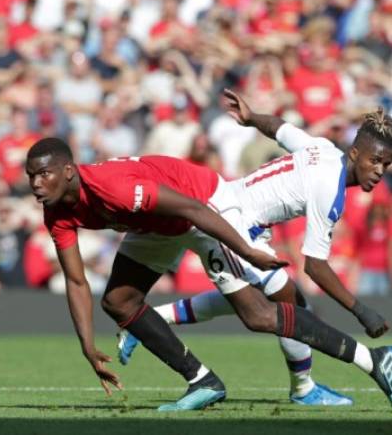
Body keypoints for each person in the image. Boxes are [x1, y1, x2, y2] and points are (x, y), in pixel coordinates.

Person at [26, 137, 392, 411]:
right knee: (118, 302)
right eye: (31, 177)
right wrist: (87, 346)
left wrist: (245, 249)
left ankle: (373, 361)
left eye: (44, 174)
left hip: (205, 205)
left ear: (68, 171)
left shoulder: (115, 188)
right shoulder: (56, 211)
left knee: (260, 314)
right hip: (157, 225)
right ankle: (202, 380)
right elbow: (76, 281)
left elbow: (191, 207)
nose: (36, 184)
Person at [117, 89, 392, 406]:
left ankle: (152, 321)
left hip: (235, 215)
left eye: (386, 164)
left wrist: (250, 119)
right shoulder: (330, 188)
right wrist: (361, 311)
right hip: (229, 225)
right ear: (355, 153)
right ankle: (306, 388)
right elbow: (315, 265)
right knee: (273, 308)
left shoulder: (323, 147)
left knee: (277, 301)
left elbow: (279, 128)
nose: (379, 170)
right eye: (375, 161)